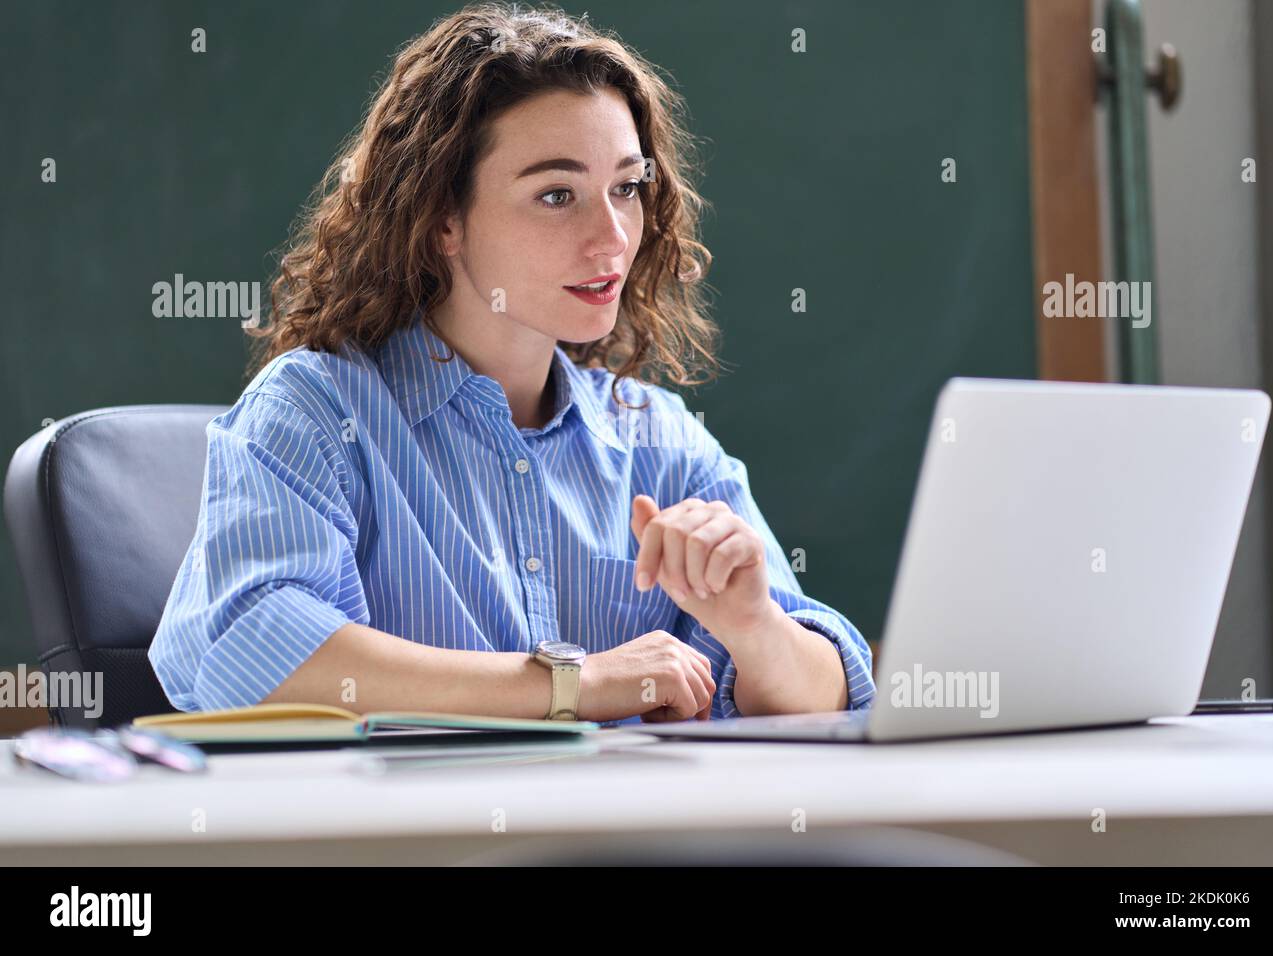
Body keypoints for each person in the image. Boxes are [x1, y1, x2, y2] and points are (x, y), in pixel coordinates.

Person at [148, 2, 875, 725]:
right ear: (442, 220)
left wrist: (755, 628)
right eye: (557, 195)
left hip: (623, 839)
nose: (613, 238)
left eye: (626, 187)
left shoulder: (663, 441)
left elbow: (832, 695)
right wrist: (573, 684)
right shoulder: (313, 410)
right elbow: (251, 650)